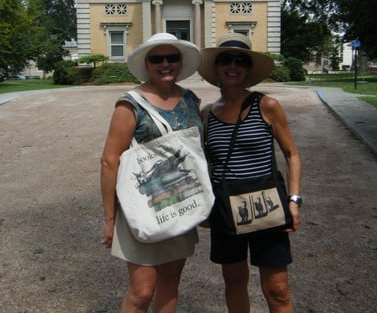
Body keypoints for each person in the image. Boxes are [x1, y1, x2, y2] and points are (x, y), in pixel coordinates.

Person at [198, 32, 302, 313]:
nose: (233, 66)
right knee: (233, 281)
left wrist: (294, 199)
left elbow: (291, 153)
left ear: (247, 69)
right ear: (217, 67)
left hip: (265, 203)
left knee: (277, 289)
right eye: (226, 60)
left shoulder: (266, 106)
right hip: (225, 207)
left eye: (240, 61)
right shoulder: (207, 113)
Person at [100, 33, 203, 313]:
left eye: (172, 57)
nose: (165, 64)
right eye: (157, 58)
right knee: (142, 292)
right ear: (147, 65)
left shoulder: (191, 99)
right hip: (142, 206)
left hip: (180, 201)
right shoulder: (130, 103)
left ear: (181, 63)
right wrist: (110, 218)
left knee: (170, 285)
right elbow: (110, 161)